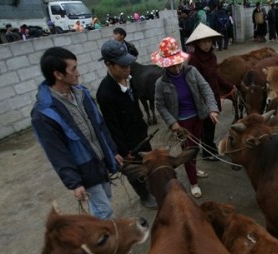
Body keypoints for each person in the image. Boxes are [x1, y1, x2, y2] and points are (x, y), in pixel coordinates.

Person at [31, 47, 123, 220]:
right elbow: (56, 152)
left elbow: (100, 125)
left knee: (105, 200)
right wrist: (75, 182)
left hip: (101, 161)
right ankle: (111, 245)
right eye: (73, 69)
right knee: (104, 211)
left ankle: (100, 237)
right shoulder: (44, 114)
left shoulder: (82, 94)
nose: (78, 73)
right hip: (84, 169)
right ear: (58, 74)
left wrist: (112, 151)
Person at [152, 37, 220, 199]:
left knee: (195, 147)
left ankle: (194, 170)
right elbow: (160, 105)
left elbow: (206, 90)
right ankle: (193, 183)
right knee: (188, 151)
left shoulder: (192, 72)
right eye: (171, 64)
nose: (176, 68)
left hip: (198, 117)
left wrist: (212, 109)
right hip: (181, 123)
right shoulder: (160, 84)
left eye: (177, 63)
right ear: (165, 64)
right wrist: (172, 123)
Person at [96, 40, 157, 209]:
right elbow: (112, 126)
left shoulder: (129, 80)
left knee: (149, 165)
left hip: (141, 134)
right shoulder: (105, 93)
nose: (128, 68)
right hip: (128, 144)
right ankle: (144, 196)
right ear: (108, 64)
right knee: (135, 172)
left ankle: (152, 189)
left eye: (128, 64)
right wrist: (124, 151)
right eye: (122, 65)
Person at [186, 23, 235, 161]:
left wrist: (229, 85)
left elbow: (216, 76)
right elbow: (194, 84)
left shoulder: (212, 56)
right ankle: (208, 153)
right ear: (197, 43)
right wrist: (203, 102)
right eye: (203, 42)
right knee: (206, 127)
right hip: (203, 99)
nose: (207, 44)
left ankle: (210, 148)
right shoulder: (194, 60)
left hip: (214, 95)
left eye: (209, 41)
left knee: (211, 126)